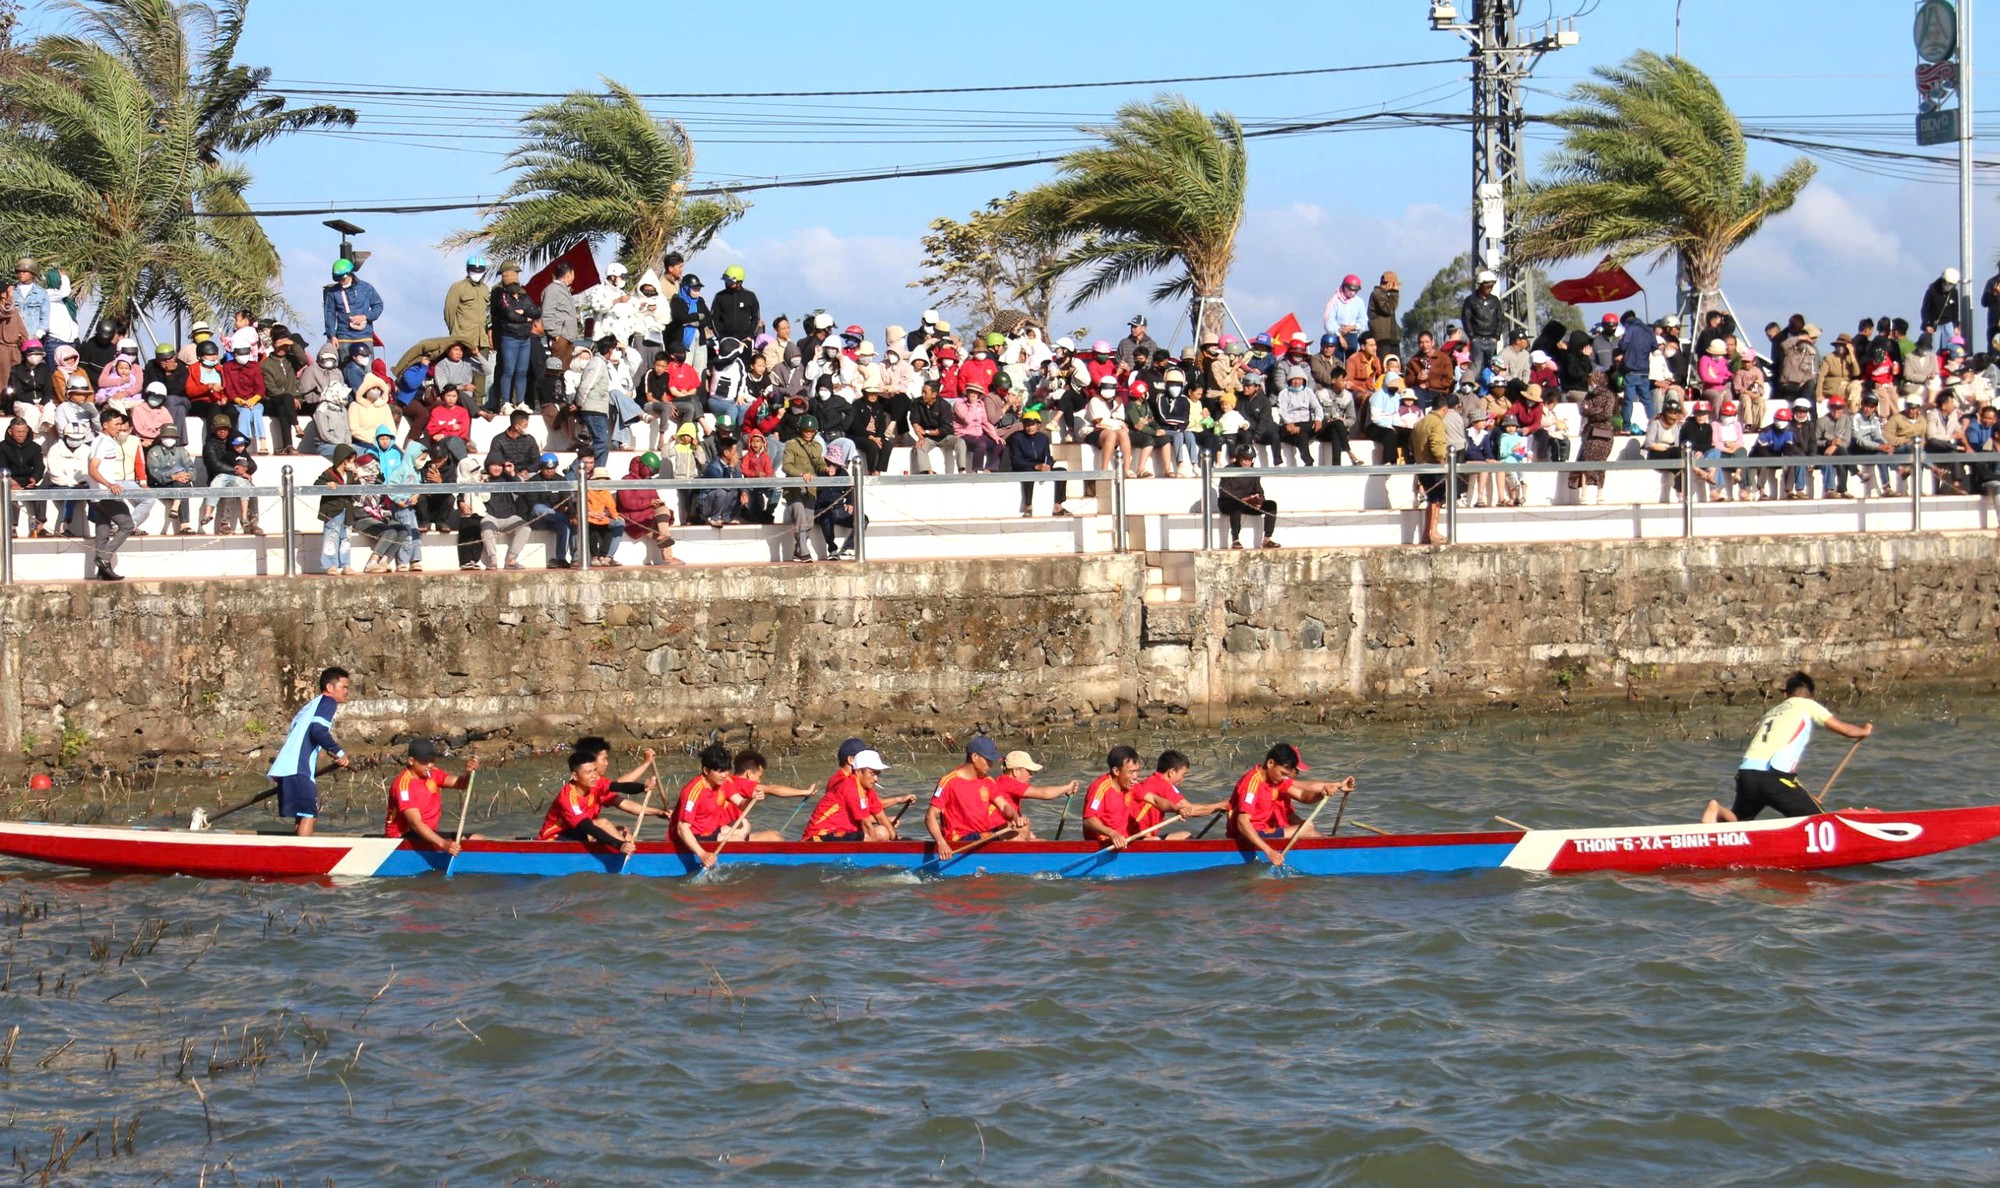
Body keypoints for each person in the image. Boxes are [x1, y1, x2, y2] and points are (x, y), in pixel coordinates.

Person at [1703, 672, 1872, 824]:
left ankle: (1718, 810)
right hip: (1773, 777)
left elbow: (1779, 762)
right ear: (1810, 695)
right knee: (1818, 821)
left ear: (1786, 694)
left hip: (1746, 775)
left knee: (1739, 822)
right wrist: (1863, 730)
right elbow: (1846, 730)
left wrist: (1804, 796)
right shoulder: (1807, 705)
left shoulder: (1771, 713)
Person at [1230, 743, 1358, 868]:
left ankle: (1332, 848)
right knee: (1306, 829)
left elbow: (1303, 795)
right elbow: (1242, 822)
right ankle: (1337, 853)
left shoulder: (1276, 780)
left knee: (1308, 825)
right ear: (1270, 764)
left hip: (1265, 832)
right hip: (1251, 835)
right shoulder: (1252, 782)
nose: (1284, 778)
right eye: (1283, 773)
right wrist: (1269, 851)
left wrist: (1324, 792)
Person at [266, 667, 354, 837]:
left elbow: (308, 735)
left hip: (287, 768)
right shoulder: (328, 702)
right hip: (298, 768)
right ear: (330, 687)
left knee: (303, 815)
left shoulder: (311, 706)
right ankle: (302, 858)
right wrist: (339, 752)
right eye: (344, 687)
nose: (347, 691)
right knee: (309, 815)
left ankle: (296, 854)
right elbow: (318, 731)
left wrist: (330, 751)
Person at [538, 744, 664, 852]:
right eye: (588, 772)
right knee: (603, 823)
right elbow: (587, 826)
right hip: (555, 839)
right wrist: (619, 845)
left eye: (594, 770)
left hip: (577, 833)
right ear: (575, 776)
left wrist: (643, 787)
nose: (593, 776)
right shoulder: (568, 798)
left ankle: (634, 852)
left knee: (623, 830)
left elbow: (619, 786)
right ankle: (630, 854)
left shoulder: (596, 784)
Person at [925, 735, 1026, 861]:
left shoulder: (987, 781)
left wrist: (1015, 817)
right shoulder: (948, 782)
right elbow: (930, 816)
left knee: (1018, 836)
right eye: (988, 760)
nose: (991, 764)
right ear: (974, 757)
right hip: (959, 840)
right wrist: (941, 842)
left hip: (983, 835)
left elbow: (1004, 806)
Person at [85, 409, 150, 581]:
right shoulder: (102, 442)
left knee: (103, 530)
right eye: (116, 424)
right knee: (127, 524)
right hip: (104, 493)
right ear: (105, 425)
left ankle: (103, 572)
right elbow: (92, 469)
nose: (119, 428)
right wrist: (109, 484)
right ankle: (104, 558)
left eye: (120, 424)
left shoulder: (106, 441)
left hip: (99, 494)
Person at [384, 739, 482, 853]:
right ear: (411, 761)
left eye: (432, 760)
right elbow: (416, 824)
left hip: (426, 833)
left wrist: (468, 773)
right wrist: (443, 844)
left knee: (478, 839)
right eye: (425, 762)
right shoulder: (404, 786)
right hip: (402, 838)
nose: (430, 765)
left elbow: (461, 783)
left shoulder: (433, 773)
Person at [805, 747, 914, 842]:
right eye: (872, 774)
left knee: (883, 832)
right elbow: (866, 826)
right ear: (858, 772)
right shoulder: (850, 787)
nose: (876, 779)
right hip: (818, 837)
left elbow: (881, 818)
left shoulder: (868, 789)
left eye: (877, 774)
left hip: (841, 833)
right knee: (873, 834)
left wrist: (895, 841)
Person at [673, 742, 750, 868]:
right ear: (706, 770)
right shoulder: (693, 792)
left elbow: (741, 804)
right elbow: (682, 828)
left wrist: (752, 798)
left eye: (726, 770)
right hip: (695, 836)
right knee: (738, 841)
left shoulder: (724, 781)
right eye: (720, 771)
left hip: (710, 830)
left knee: (745, 825)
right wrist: (702, 854)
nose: (725, 775)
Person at [1126, 750, 1229, 840]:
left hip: (1136, 834)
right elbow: (1190, 809)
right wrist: (1221, 805)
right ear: (1171, 772)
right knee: (1186, 837)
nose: (1183, 779)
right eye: (1183, 774)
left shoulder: (1151, 780)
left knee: (1184, 836)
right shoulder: (1163, 785)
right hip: (1138, 838)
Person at [1082, 745, 1149, 849]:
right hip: (1104, 845)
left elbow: (1154, 799)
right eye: (1131, 772)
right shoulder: (1100, 787)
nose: (1135, 776)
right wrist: (1112, 833)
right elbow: (1089, 820)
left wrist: (1176, 807)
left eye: (1137, 771)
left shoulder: (1131, 784)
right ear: (1116, 771)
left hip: (1124, 842)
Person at [1217, 445, 1278, 548]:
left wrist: (1259, 501)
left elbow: (1259, 491)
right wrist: (1242, 499)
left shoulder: (1253, 471)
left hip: (1248, 503)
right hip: (1229, 503)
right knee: (1236, 505)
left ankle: (1267, 539)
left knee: (1271, 505)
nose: (1247, 462)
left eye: (1250, 459)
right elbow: (1225, 493)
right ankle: (1235, 540)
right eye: (1245, 459)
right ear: (1238, 458)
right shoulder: (1228, 469)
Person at [1410, 397, 1451, 544]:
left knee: (1431, 500)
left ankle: (1426, 533)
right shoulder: (1437, 423)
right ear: (1444, 409)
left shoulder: (1419, 423)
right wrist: (1443, 462)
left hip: (1421, 464)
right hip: (1434, 466)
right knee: (1436, 500)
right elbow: (1437, 445)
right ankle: (1433, 531)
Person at [323, 259, 382, 352]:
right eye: (338, 279)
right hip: (343, 338)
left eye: (343, 279)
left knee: (367, 366)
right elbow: (329, 314)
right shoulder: (333, 292)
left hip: (364, 337)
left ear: (350, 274)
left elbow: (378, 305)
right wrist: (332, 336)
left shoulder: (366, 288)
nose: (341, 282)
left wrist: (365, 317)